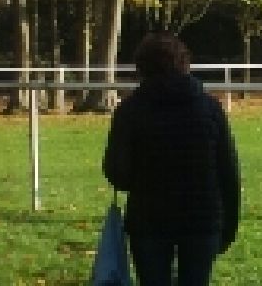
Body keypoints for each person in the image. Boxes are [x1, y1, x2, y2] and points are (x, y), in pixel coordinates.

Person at [103, 32, 241, 286]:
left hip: (149, 218)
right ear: (184, 63)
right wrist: (229, 222)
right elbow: (228, 169)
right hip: (202, 217)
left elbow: (117, 172)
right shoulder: (210, 108)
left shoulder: (130, 111)